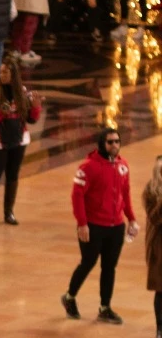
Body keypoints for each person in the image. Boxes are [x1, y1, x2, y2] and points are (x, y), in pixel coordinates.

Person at [62, 128, 138, 325]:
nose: (114, 145)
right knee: (88, 262)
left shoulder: (123, 165)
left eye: (117, 141)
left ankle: (105, 308)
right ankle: (69, 297)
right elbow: (76, 196)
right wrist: (82, 224)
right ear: (101, 144)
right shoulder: (88, 167)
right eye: (110, 142)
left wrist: (132, 219)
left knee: (109, 267)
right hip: (94, 226)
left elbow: (126, 194)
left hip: (116, 226)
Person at [0, 55, 40, 225]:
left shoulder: (22, 93)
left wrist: (36, 107)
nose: (2, 75)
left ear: (13, 74)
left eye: (5, 72)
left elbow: (31, 119)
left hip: (19, 140)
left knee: (13, 176)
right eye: (1, 72)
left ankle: (9, 213)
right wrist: (0, 114)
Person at [144, 156, 162, 338]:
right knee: (161, 291)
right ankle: (160, 330)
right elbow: (155, 218)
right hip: (159, 248)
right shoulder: (151, 191)